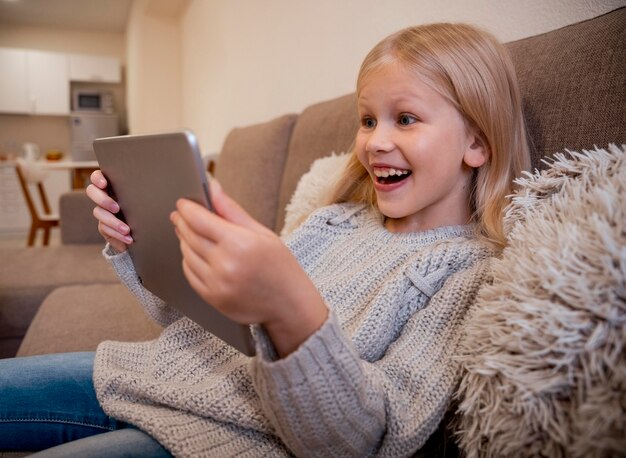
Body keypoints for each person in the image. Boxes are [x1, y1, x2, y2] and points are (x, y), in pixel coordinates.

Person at [0, 22, 530, 457]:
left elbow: (367, 442)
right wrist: (138, 242)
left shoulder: (469, 274)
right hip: (157, 374)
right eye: (367, 120)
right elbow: (199, 318)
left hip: (227, 439)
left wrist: (290, 309)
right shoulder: (334, 222)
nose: (375, 142)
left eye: (406, 118)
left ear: (476, 143)